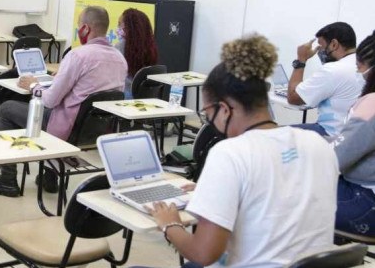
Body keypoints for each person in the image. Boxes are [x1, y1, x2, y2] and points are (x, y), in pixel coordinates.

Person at [149, 34, 338, 267]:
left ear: (225, 110)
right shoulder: (318, 144)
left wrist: (170, 224)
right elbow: (284, 192)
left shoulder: (230, 153)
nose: (212, 125)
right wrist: (219, 191)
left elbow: (204, 253)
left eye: (208, 116)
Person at [0, 6, 127, 197]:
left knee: (7, 108)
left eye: (79, 25)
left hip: (69, 127)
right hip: (96, 130)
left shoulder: (78, 55)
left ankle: (8, 179)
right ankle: (50, 176)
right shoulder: (119, 59)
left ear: (86, 29)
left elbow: (49, 100)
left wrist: (32, 86)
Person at [333, 30, 375, 236]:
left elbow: (336, 159)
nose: (359, 75)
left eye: (360, 68)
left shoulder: (372, 104)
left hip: (366, 205)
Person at [287, 22, 363, 136]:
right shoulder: (366, 64)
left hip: (331, 134)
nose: (319, 52)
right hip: (357, 136)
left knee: (274, 135)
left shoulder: (333, 69)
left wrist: (301, 60)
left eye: (321, 46)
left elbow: (293, 97)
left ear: (334, 44)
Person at [116, 8, 158, 98]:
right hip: (146, 98)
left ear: (129, 27)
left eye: (120, 24)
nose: (117, 28)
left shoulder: (119, 48)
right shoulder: (150, 48)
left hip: (123, 98)